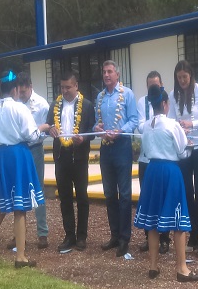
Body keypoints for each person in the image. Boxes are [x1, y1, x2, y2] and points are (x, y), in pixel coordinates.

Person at [0, 70, 45, 268]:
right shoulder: (20, 108)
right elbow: (31, 135)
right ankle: (20, 256)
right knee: (19, 208)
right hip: (17, 155)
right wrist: (44, 128)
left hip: (0, 156)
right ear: (15, 90)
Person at [134, 84, 198, 282]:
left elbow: (145, 151)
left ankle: (153, 266)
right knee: (179, 221)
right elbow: (181, 152)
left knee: (153, 220)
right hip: (170, 171)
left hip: (152, 170)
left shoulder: (146, 126)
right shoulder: (172, 125)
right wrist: (189, 147)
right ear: (164, 104)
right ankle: (182, 269)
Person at [45, 71, 95, 252]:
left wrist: (84, 138)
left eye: (68, 87)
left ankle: (82, 236)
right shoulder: (55, 105)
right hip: (61, 156)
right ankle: (69, 235)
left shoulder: (87, 105)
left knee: (82, 196)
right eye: (62, 87)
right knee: (65, 197)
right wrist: (50, 129)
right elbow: (48, 125)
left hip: (79, 156)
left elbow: (92, 130)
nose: (64, 91)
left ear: (76, 86)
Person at [94, 60, 138, 257]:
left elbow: (134, 119)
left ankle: (124, 238)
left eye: (110, 71)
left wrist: (121, 131)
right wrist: (98, 129)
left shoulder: (127, 94)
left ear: (117, 75)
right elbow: (98, 122)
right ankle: (114, 235)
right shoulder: (100, 97)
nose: (106, 75)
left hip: (121, 146)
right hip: (106, 148)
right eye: (104, 72)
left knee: (125, 194)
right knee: (109, 193)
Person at [168, 60, 198, 258]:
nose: (183, 80)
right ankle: (192, 237)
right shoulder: (172, 95)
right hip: (183, 149)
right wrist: (178, 126)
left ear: (191, 76)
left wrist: (190, 124)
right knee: (187, 193)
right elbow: (170, 120)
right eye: (179, 78)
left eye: (185, 77)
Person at [14, 71, 50, 249]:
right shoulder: (15, 103)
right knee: (19, 190)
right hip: (19, 150)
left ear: (30, 87)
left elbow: (45, 130)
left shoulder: (42, 104)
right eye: (19, 92)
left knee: (38, 189)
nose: (21, 95)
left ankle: (42, 232)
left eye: (23, 92)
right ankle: (19, 234)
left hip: (35, 149)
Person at [137, 71, 171, 254]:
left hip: (163, 158)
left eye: (156, 85)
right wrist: (155, 122)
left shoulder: (166, 100)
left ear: (162, 84)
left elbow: (168, 123)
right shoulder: (142, 102)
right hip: (145, 158)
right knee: (148, 198)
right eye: (150, 85)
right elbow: (140, 126)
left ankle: (165, 239)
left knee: (164, 198)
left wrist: (154, 123)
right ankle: (149, 238)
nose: (153, 88)